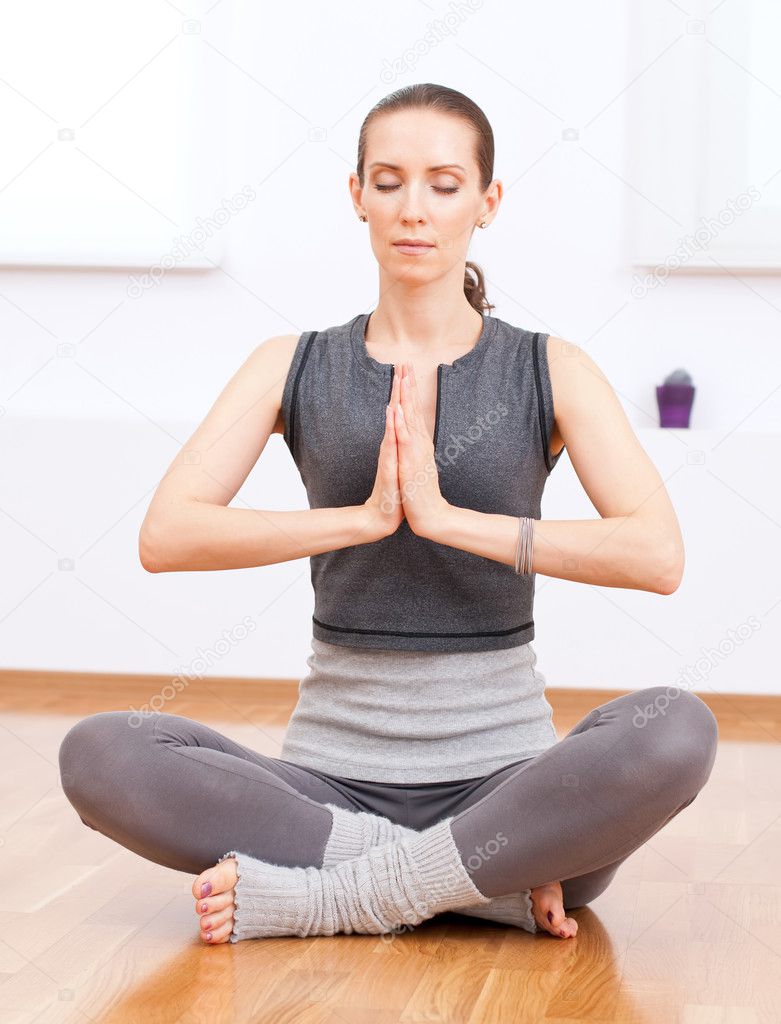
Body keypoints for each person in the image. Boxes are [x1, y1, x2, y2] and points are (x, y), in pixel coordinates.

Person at [58, 83, 717, 946]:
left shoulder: (549, 368)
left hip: (510, 797)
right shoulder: (290, 365)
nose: (415, 209)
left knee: (674, 730)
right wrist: (362, 518)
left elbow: (655, 555)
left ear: (487, 201)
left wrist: (444, 519)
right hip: (327, 793)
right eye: (389, 180)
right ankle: (473, 888)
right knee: (100, 752)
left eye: (444, 185)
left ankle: (338, 897)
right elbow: (167, 534)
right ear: (357, 194)